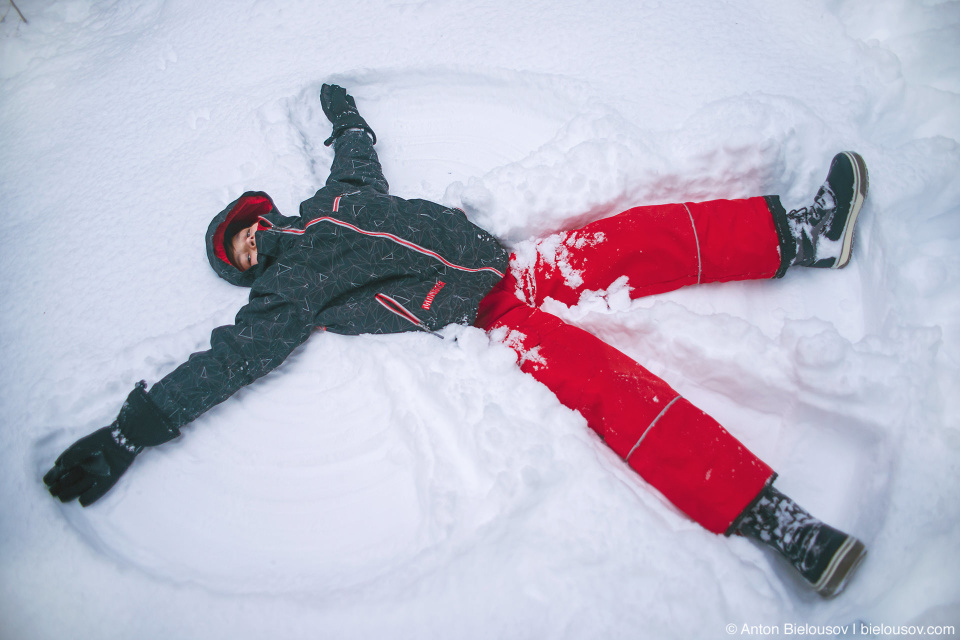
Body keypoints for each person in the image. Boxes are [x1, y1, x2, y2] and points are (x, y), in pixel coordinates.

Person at [43, 85, 869, 598]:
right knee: (619, 393)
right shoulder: (281, 297)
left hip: (509, 266)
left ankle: (805, 233)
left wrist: (345, 117)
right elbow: (222, 367)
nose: (254, 244)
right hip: (490, 324)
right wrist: (130, 431)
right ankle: (778, 523)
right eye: (242, 253)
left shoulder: (337, 201)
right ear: (246, 271)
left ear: (261, 210)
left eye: (248, 230)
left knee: (635, 238)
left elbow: (360, 158)